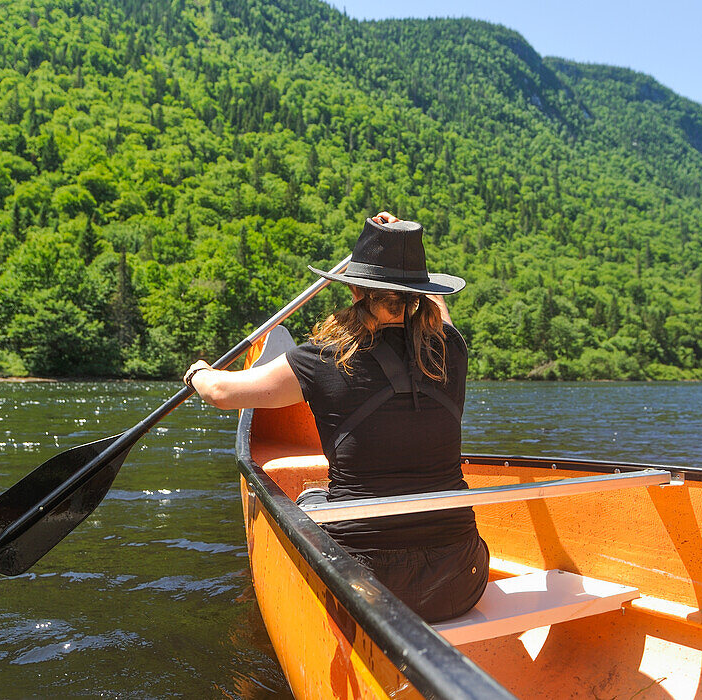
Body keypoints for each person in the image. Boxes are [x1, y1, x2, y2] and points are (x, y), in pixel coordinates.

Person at [182, 213, 489, 622]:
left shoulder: (322, 359)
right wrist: (400, 247)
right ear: (420, 291)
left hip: (370, 586)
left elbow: (221, 393)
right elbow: (438, 309)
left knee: (310, 497)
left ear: (355, 287)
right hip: (462, 578)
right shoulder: (451, 349)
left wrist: (199, 371)